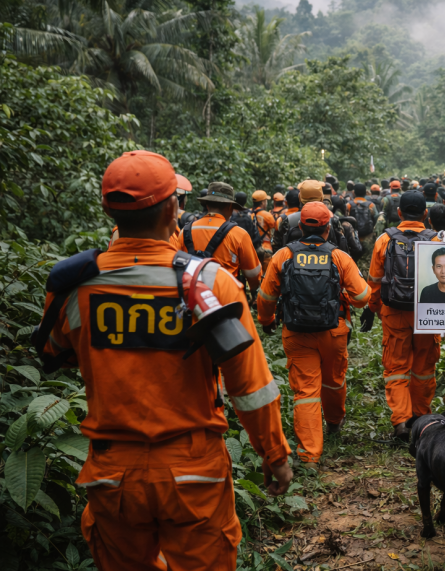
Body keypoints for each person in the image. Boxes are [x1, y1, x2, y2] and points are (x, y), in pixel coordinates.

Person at [39, 150, 291, 570]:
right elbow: (250, 387)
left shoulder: (74, 287)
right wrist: (275, 455)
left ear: (107, 211)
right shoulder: (212, 283)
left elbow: (55, 355)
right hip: (194, 470)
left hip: (113, 473)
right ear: (174, 208)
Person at [258, 202, 369, 467]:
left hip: (296, 333)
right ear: (328, 229)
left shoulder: (283, 256)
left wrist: (267, 320)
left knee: (306, 392)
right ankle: (334, 422)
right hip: (334, 331)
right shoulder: (339, 256)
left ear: (299, 226)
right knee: (334, 381)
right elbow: (363, 297)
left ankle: (309, 455)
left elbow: (265, 297)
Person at [366, 191, 441, 443]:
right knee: (423, 368)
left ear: (399, 213)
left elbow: (375, 281)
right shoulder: (436, 240)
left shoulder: (384, 240)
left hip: (394, 313)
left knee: (396, 369)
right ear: (425, 214)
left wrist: (373, 308)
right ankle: (421, 420)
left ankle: (401, 421)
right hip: (427, 313)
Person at [174, 183, 262, 292]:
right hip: (227, 300)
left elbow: (177, 266)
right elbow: (253, 274)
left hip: (193, 299)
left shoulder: (185, 232)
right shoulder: (239, 234)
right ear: (230, 207)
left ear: (207, 205)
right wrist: (252, 290)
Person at [347, 183, 378, 275]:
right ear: (366, 192)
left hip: (353, 236)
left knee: (353, 258)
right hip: (368, 236)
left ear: (354, 193)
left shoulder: (349, 204)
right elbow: (376, 218)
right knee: (367, 259)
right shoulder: (371, 205)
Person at [251, 190, 277, 274]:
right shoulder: (267, 215)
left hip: (252, 249)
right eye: (266, 201)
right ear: (263, 202)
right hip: (266, 249)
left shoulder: (248, 214)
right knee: (266, 275)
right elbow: (274, 232)